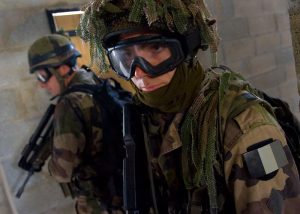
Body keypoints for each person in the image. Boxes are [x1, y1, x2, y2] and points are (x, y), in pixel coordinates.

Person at [78, 0, 300, 213]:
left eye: (155, 49)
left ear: (185, 49)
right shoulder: (140, 116)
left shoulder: (245, 125)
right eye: (126, 56)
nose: (139, 72)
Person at [27, 34, 123, 214]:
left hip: (97, 200)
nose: (41, 85)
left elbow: (62, 172)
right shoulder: (94, 80)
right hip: (118, 188)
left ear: (62, 69)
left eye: (42, 76)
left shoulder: (69, 103)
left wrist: (51, 163)